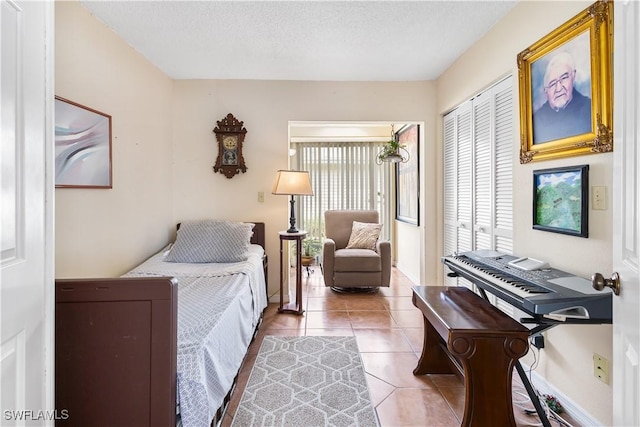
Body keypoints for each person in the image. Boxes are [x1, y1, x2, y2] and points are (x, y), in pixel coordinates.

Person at [532, 51, 592, 144]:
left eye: (564, 78)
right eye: (552, 84)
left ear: (573, 76)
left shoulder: (589, 108)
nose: (558, 88)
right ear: (546, 91)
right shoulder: (537, 119)